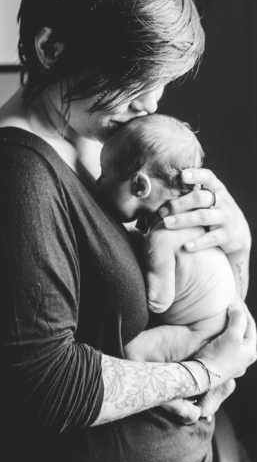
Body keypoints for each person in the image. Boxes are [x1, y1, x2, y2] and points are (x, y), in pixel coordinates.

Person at [0, 0, 256, 462]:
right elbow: (44, 387)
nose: (151, 102)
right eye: (133, 79)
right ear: (51, 49)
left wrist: (235, 250)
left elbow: (179, 307)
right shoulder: (9, 175)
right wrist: (199, 374)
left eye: (158, 82)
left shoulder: (107, 150)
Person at [94, 114, 236, 336]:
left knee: (133, 352)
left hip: (196, 329)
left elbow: (158, 301)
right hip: (220, 316)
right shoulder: (197, 218)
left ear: (140, 186)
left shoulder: (162, 236)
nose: (97, 183)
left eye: (104, 175)